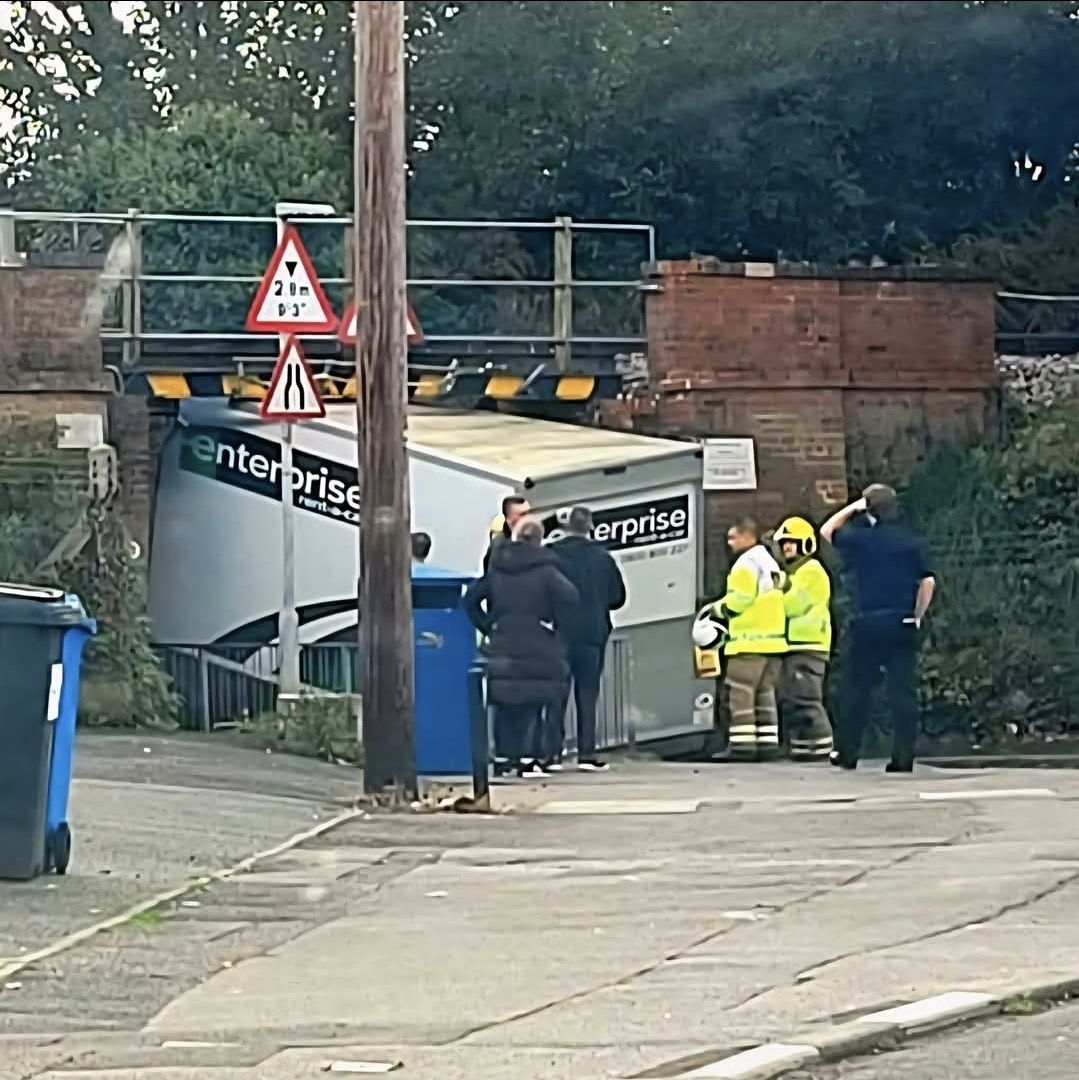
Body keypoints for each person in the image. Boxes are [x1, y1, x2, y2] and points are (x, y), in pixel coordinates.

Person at [820, 484, 936, 773]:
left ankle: (847, 752)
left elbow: (826, 530)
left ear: (869, 510)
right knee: (903, 692)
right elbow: (928, 582)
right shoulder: (911, 542)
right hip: (900, 621)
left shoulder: (861, 540)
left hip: (868, 620)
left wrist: (854, 507)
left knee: (857, 689)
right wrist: (916, 616)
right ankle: (903, 757)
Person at [463, 515, 578, 778]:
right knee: (533, 701)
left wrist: (488, 626)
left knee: (504, 702)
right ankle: (529, 758)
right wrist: (555, 628)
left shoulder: (497, 569)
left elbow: (470, 600)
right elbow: (571, 598)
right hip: (538, 645)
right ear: (539, 540)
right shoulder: (548, 570)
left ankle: (504, 758)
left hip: (502, 642)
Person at [547, 506, 628, 772]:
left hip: (560, 632)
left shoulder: (552, 555)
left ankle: (552, 753)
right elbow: (618, 598)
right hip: (593, 633)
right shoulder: (602, 558)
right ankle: (586, 752)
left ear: (567, 527)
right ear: (590, 527)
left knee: (556, 694)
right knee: (588, 693)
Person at [704, 518, 787, 760]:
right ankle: (768, 744)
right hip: (773, 642)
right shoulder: (770, 563)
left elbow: (739, 600)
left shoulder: (745, 565)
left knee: (740, 692)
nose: (729, 543)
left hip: (748, 641)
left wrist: (716, 609)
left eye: (733, 537)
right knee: (765, 694)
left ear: (748, 536)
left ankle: (742, 746)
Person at [773, 516, 834, 762]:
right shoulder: (795, 573)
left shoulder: (811, 572)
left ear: (806, 544)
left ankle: (823, 748)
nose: (788, 548)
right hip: (795, 645)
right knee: (793, 699)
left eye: (793, 543)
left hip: (809, 646)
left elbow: (793, 606)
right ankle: (804, 748)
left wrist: (775, 594)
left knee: (806, 698)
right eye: (785, 543)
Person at [483, 496, 531, 573]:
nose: (529, 517)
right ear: (509, 520)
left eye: (529, 512)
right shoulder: (498, 544)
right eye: (523, 514)